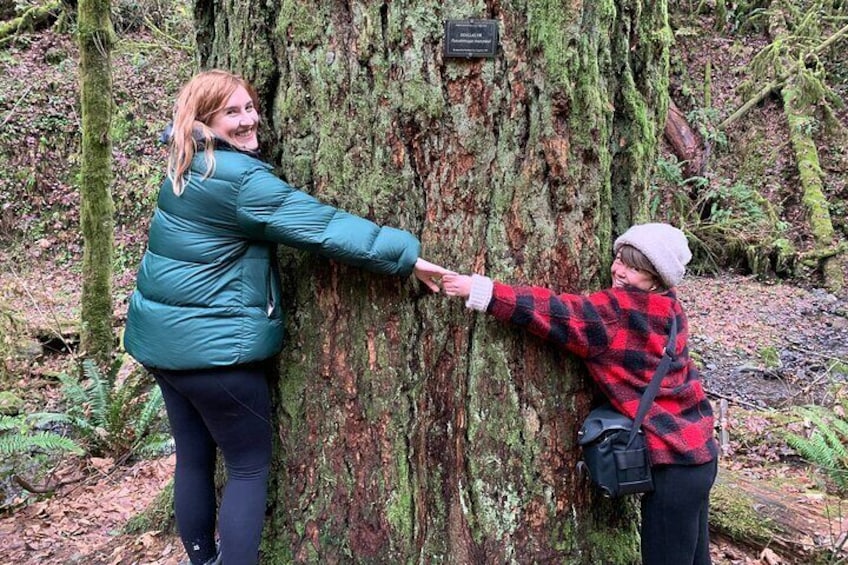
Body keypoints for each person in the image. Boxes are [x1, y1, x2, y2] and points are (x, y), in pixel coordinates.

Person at [123, 69, 449, 565]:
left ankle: (199, 558)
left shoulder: (185, 163)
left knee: (193, 459)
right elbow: (322, 226)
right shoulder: (240, 180)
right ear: (204, 118)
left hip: (163, 346)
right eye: (232, 112)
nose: (250, 119)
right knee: (249, 469)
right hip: (217, 357)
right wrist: (406, 256)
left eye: (250, 107)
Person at [442, 223, 718, 565]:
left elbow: (554, 313)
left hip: (673, 464)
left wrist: (482, 290)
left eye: (635, 268)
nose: (619, 270)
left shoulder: (617, 313)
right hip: (701, 453)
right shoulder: (670, 308)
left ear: (657, 279)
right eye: (620, 259)